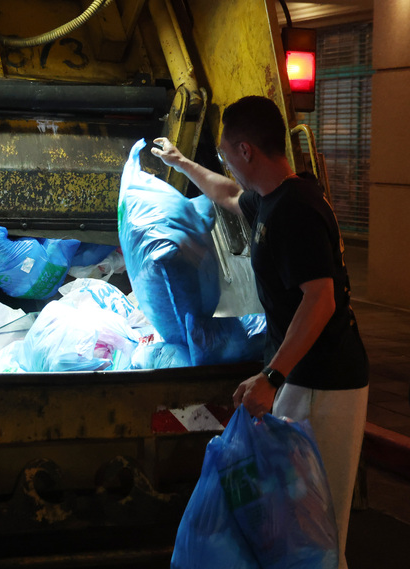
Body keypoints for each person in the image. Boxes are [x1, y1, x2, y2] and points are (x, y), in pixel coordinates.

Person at [151, 95, 368, 569]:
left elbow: (321, 299)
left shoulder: (296, 211)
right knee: (293, 518)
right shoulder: (272, 199)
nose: (226, 159)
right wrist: (182, 162)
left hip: (325, 380)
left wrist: (272, 376)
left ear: (247, 150)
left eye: (227, 152)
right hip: (302, 375)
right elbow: (228, 195)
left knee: (318, 523)